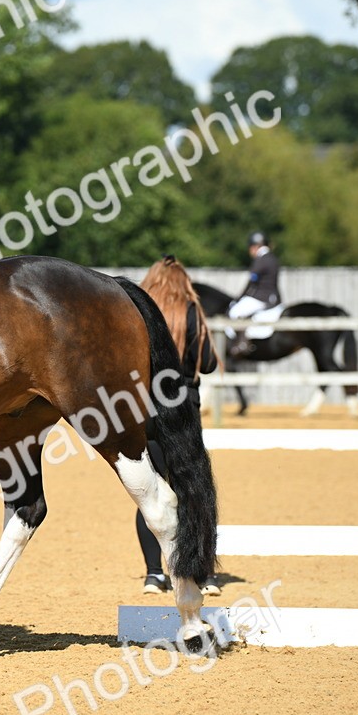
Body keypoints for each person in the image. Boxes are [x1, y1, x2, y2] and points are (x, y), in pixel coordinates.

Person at [136, 255, 221, 596]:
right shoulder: (191, 311)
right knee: (192, 488)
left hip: (147, 408)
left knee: (149, 491)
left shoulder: (138, 311)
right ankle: (204, 574)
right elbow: (210, 363)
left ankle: (154, 574)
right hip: (185, 407)